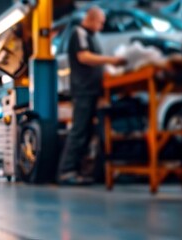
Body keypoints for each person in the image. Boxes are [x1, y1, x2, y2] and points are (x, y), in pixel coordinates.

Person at [59, 7, 126, 185]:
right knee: (79, 130)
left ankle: (83, 170)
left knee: (88, 132)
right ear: (91, 18)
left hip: (92, 90)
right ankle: (66, 171)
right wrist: (111, 60)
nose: (102, 26)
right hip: (83, 90)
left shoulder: (92, 36)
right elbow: (84, 57)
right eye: (100, 22)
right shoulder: (79, 32)